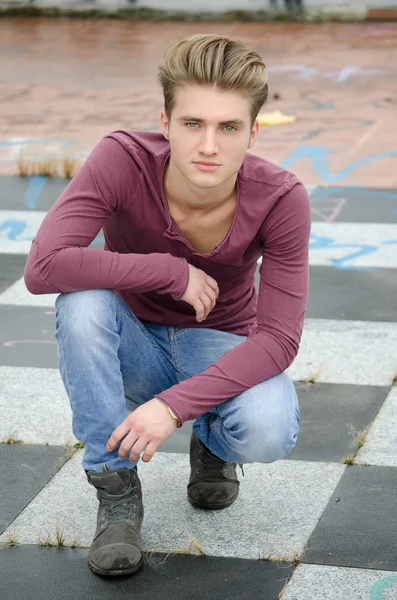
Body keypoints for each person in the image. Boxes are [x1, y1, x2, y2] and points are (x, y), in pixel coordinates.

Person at [24, 33, 311, 578]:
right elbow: (42, 268)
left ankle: (212, 440)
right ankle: (115, 489)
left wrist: (175, 408)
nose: (209, 146)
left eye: (228, 127)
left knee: (269, 427)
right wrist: (167, 270)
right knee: (82, 302)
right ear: (165, 121)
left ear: (253, 131)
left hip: (217, 345)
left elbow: (279, 339)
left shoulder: (280, 197)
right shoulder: (121, 159)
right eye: (192, 124)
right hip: (130, 338)